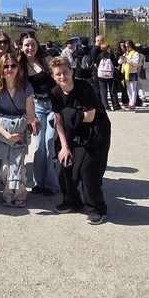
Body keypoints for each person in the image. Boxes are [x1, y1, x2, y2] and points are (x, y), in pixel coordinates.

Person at [48, 57, 110, 225]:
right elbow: (58, 121)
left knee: (88, 170)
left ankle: (97, 208)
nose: (63, 77)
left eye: (65, 72)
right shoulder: (55, 93)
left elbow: (89, 117)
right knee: (65, 165)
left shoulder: (85, 88)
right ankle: (72, 201)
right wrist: (65, 147)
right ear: (53, 76)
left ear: (72, 72)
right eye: (58, 74)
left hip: (96, 131)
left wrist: (68, 112)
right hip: (71, 130)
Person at [0, 53, 37, 208]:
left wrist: (17, 128)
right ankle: (9, 192)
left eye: (13, 66)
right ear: (1, 69)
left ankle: (18, 194)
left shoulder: (26, 87)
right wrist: (8, 134)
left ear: (18, 68)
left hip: (21, 132)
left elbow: (30, 116)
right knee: (4, 168)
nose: (10, 69)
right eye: (6, 66)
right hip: (3, 133)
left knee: (19, 166)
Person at [17, 32, 59, 196]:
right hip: (36, 105)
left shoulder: (47, 60)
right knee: (39, 144)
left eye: (33, 44)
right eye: (26, 45)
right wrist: (30, 116)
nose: (30, 48)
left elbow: (59, 84)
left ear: (37, 45)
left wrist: (59, 109)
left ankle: (51, 183)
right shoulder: (20, 66)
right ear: (21, 47)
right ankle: (38, 181)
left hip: (53, 103)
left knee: (49, 141)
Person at [120, 41, 144, 111]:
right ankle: (130, 102)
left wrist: (127, 60)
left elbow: (135, 63)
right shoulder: (127, 53)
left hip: (133, 72)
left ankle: (133, 103)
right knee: (128, 89)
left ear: (131, 46)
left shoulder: (135, 53)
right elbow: (119, 62)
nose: (126, 48)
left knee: (133, 88)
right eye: (126, 46)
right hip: (126, 72)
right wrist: (122, 58)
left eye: (128, 46)